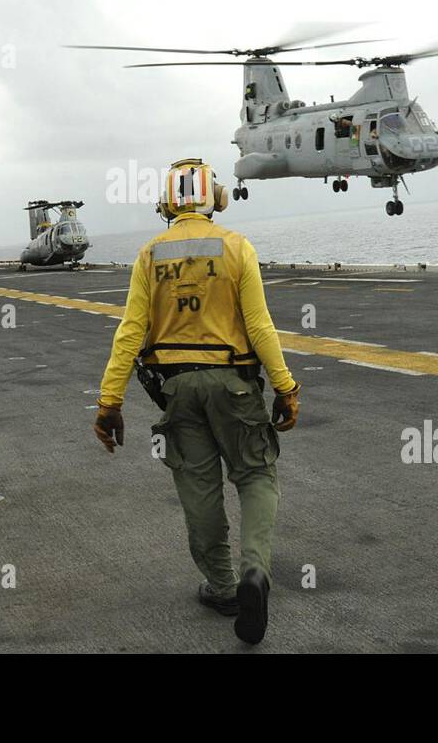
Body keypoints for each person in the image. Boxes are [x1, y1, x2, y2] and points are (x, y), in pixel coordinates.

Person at [91, 158, 301, 646]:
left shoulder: (149, 256)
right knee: (254, 475)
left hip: (177, 390)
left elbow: (130, 332)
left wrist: (109, 401)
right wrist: (286, 387)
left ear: (168, 203)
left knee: (198, 488)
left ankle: (224, 588)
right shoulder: (236, 247)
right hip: (235, 385)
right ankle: (254, 574)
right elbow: (260, 326)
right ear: (217, 199)